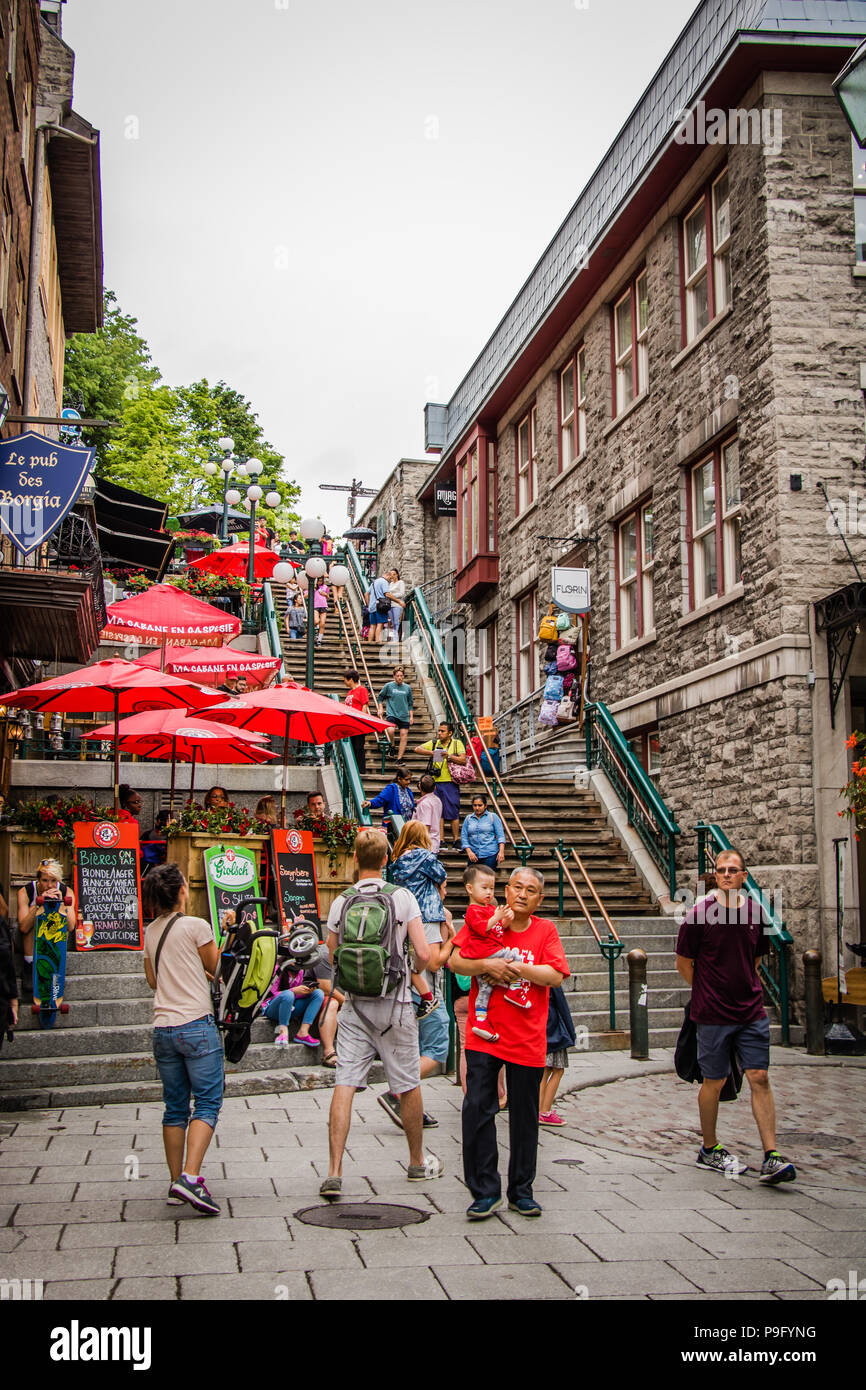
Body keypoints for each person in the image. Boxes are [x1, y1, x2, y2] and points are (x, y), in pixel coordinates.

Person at [319, 829, 445, 1200]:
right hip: (396, 1005)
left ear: (355, 860)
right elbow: (423, 955)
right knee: (407, 1083)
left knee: (345, 1083)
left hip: (356, 1006)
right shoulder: (402, 897)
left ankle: (334, 1171)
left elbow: (331, 953)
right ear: (387, 860)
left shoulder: (342, 900)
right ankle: (417, 1161)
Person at [449, 866, 570, 1219]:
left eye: (530, 890)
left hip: (527, 1037)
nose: (521, 894)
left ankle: (521, 1190)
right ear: (506, 889)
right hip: (484, 1036)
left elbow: (556, 975)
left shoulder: (545, 931)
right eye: (516, 887)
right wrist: (488, 963)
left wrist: (514, 969)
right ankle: (484, 1191)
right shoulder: (486, 921)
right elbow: (456, 960)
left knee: (524, 1117)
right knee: (477, 1111)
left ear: (539, 899)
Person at [675, 847, 796, 1184]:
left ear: (744, 876)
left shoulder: (757, 913)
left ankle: (771, 1154)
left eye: (733, 870)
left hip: (751, 1011)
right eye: (720, 870)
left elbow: (756, 960)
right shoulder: (700, 915)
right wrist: (707, 989)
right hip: (712, 1013)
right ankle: (709, 1148)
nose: (726, 874)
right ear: (715, 876)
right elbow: (684, 963)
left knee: (760, 1076)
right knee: (714, 1080)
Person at [142, 863, 223, 1215]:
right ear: (179, 892)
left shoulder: (150, 932)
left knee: (174, 1107)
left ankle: (177, 1181)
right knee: (207, 1103)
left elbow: (154, 980)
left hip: (164, 1027)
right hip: (195, 1025)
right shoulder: (196, 926)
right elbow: (217, 966)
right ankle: (191, 1177)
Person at [16, 858, 76, 994]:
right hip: (29, 938)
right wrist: (38, 904)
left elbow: (71, 926)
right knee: (34, 922)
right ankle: (29, 965)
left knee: (57, 921)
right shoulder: (25, 892)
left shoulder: (67, 892)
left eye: (53, 881)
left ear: (58, 881)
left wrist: (61, 904)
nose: (49, 886)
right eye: (44, 880)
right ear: (38, 880)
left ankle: (55, 967)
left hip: (53, 934)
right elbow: (23, 927)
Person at [415, 720, 467, 848]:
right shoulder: (435, 743)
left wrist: (448, 756)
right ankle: (441, 839)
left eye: (442, 731)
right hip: (436, 782)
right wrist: (432, 753)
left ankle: (456, 839)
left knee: (453, 810)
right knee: (439, 811)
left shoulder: (456, 743)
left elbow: (463, 759)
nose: (439, 733)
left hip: (450, 781)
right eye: (439, 730)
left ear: (450, 733)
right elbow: (417, 749)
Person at [261, 951, 324, 1049]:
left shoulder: (300, 971)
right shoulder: (278, 969)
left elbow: (295, 995)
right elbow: (269, 994)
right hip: (273, 1008)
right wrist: (293, 990)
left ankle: (303, 1032)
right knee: (288, 994)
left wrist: (305, 991)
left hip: (291, 1007)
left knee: (318, 993)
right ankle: (283, 1031)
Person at [377, 667, 414, 762]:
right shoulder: (388, 686)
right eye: (397, 676)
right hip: (392, 713)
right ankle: (392, 745)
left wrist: (411, 716)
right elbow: (380, 698)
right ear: (394, 676)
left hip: (404, 715)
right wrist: (381, 708)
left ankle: (399, 758)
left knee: (403, 735)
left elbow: (410, 703)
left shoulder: (407, 688)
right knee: (390, 730)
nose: (399, 677)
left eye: (401, 676)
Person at [461, 794, 506, 870]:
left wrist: (501, 852)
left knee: (488, 878)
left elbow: (500, 835)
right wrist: (469, 852)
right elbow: (464, 836)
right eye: (474, 805)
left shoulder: (493, 816)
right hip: (473, 854)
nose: (477, 808)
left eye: (480, 805)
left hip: (490, 853)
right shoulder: (468, 818)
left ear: (485, 806)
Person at [343, 669, 371, 775]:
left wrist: (361, 719)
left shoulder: (361, 690)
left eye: (345, 679)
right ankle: (353, 768)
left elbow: (364, 704)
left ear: (351, 679)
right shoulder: (350, 692)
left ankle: (360, 770)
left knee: (358, 747)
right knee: (353, 746)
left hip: (358, 723)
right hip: (350, 723)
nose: (345, 682)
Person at [414, 774, 443, 854]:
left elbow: (426, 827)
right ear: (435, 787)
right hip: (433, 843)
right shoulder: (437, 800)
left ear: (419, 788)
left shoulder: (425, 803)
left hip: (425, 846)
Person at [365, 571, 392, 644]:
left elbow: (366, 594)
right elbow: (387, 594)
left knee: (372, 626)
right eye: (390, 578)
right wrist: (398, 601)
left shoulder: (374, 582)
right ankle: (378, 641)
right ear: (387, 575)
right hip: (380, 606)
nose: (390, 580)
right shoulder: (384, 582)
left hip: (372, 607)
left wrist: (368, 605)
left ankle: (369, 642)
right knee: (380, 624)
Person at [386, 567, 406, 639]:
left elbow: (402, 593)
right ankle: (394, 636)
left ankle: (396, 638)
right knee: (392, 622)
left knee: (396, 621)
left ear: (397, 574)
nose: (393, 576)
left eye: (394, 574)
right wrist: (390, 596)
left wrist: (392, 596)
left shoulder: (401, 582)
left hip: (397, 604)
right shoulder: (390, 584)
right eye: (391, 574)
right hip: (390, 604)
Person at [312, 577, 329, 647]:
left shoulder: (325, 587)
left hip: (323, 605)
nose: (320, 582)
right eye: (319, 581)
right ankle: (314, 632)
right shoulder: (314, 586)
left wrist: (324, 594)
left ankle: (319, 640)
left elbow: (328, 596)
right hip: (315, 605)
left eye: (321, 581)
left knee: (322, 623)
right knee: (316, 621)